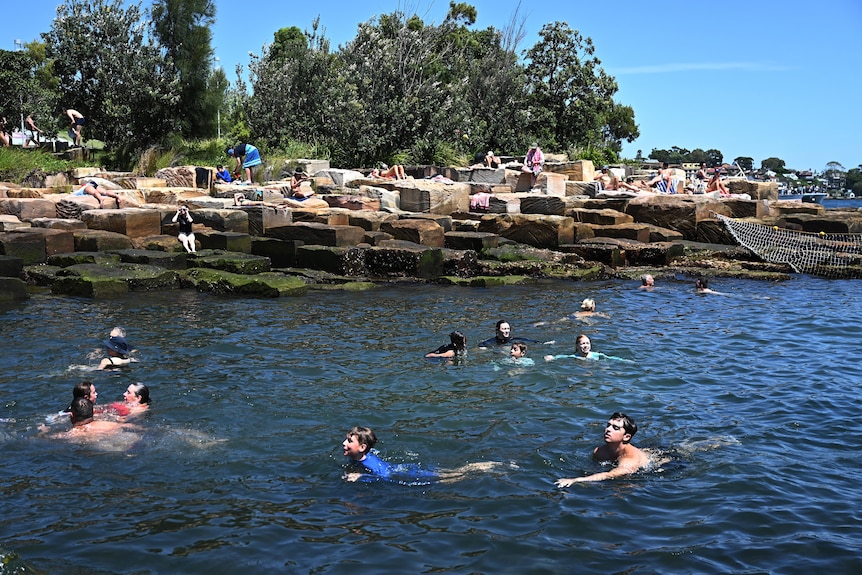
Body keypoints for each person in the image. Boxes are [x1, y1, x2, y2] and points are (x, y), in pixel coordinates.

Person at [341, 426, 503, 484]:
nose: (344, 443)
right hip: (402, 468)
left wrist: (361, 477)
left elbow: (383, 476)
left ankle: (482, 468)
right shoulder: (364, 457)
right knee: (450, 474)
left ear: (362, 447)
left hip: (406, 473)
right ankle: (483, 468)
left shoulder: (368, 464)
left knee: (450, 478)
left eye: (349, 441)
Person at [555, 412, 650, 485]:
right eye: (608, 425)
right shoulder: (599, 451)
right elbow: (591, 471)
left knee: (623, 487)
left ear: (626, 437)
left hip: (656, 461)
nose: (608, 429)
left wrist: (576, 480)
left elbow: (610, 475)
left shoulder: (629, 460)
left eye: (615, 428)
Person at [544, 334, 630, 362]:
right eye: (583, 343)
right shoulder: (574, 357)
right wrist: (552, 357)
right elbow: (563, 356)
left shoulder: (597, 355)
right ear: (577, 346)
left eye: (588, 343)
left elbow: (611, 358)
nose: (586, 346)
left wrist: (624, 361)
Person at [478, 320, 550, 348]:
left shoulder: (513, 340)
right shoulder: (491, 342)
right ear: (497, 331)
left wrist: (543, 343)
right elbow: (481, 346)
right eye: (504, 329)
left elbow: (529, 341)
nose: (507, 331)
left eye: (508, 329)